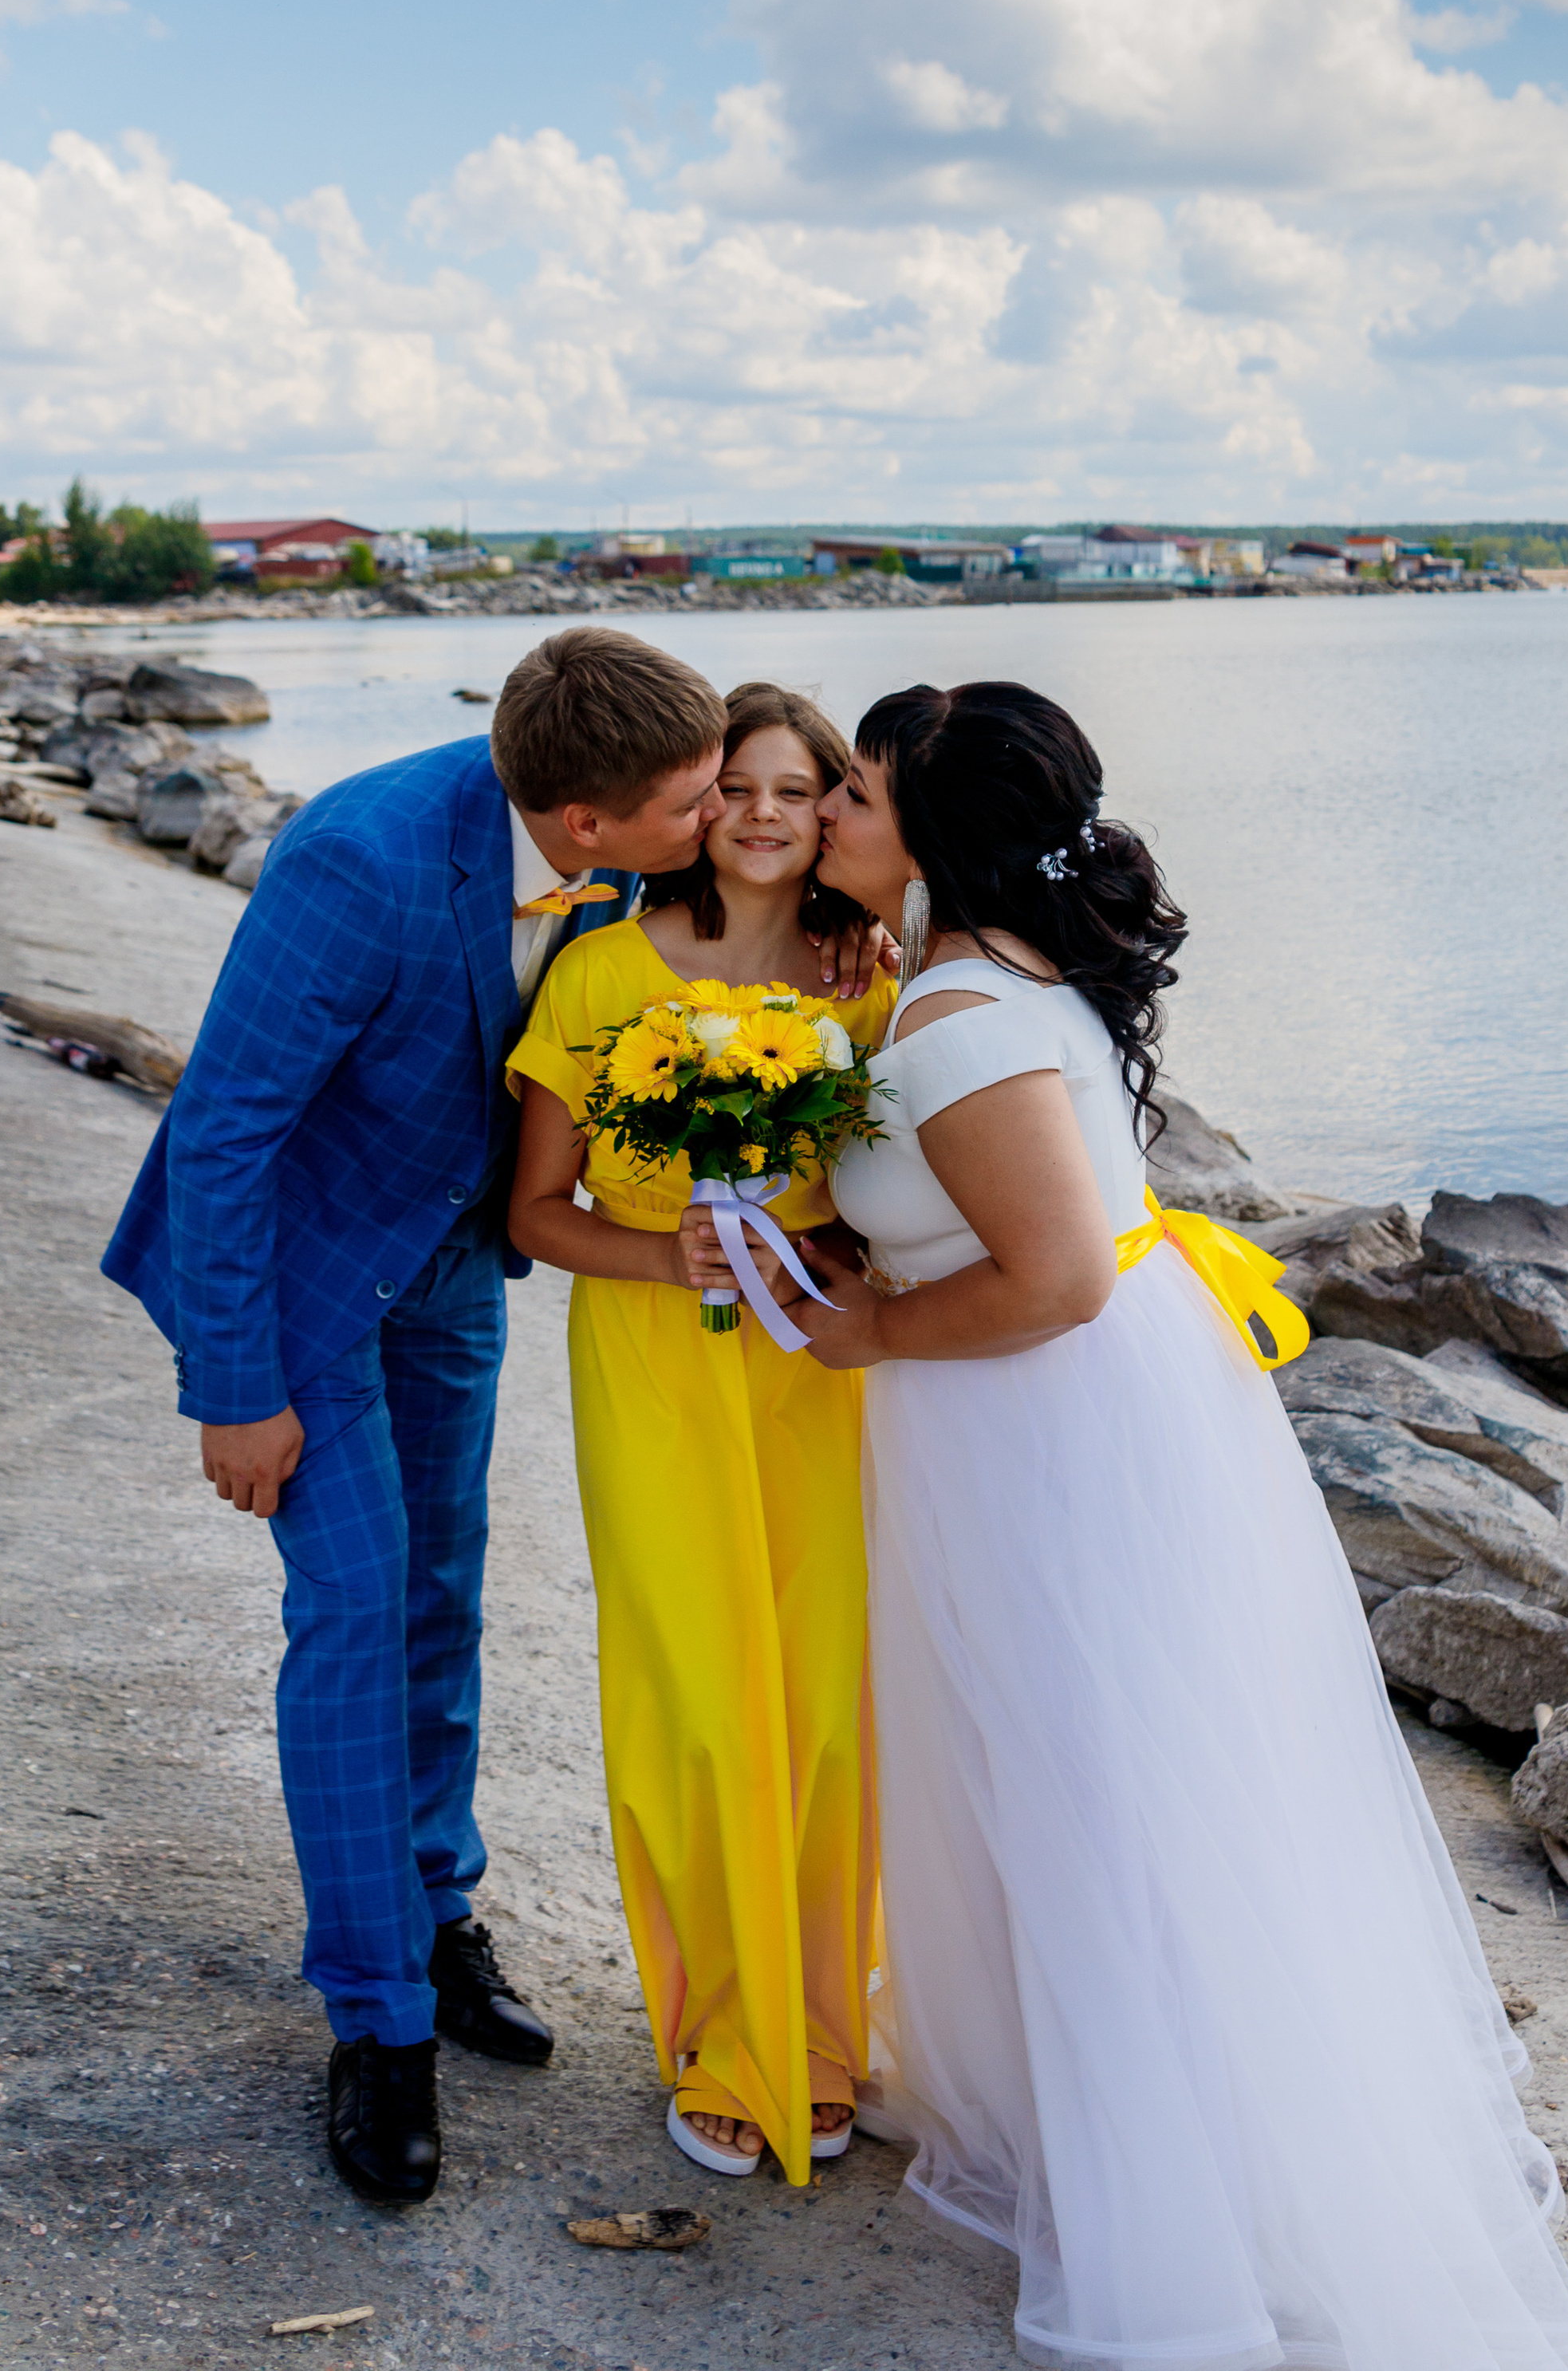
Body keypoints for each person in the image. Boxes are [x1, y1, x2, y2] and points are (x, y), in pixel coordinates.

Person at [786, 682, 1568, 2371]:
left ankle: (1169, 2211)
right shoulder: (987, 975)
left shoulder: (956, 1016)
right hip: (1050, 1411)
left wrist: (872, 1328)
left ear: (933, 834)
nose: (829, 815)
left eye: (855, 791)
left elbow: (1057, 1279)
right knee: (1088, 1767)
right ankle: (1115, 2126)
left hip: (1036, 1420)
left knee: (1089, 1784)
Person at [101, 627, 737, 2206]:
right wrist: (235, 1390)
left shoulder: (622, 850)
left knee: (445, 1591)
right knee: (358, 1608)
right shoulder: (358, 863)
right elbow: (223, 1130)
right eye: (695, 801)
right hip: (304, 1278)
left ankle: (438, 1912)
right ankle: (377, 2020)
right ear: (584, 820)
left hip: (451, 1263)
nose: (718, 817)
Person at [506, 683, 892, 2187]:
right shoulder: (600, 971)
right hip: (654, 1366)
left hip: (815, 1373)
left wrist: (828, 1254)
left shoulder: (863, 986)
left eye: (798, 791)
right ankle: (721, 2034)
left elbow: (898, 1203)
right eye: (734, 787)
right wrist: (669, 1256)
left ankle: (822, 2031)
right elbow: (536, 1215)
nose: (762, 816)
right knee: (697, 1706)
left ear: (831, 811)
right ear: (690, 802)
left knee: (825, 1707)